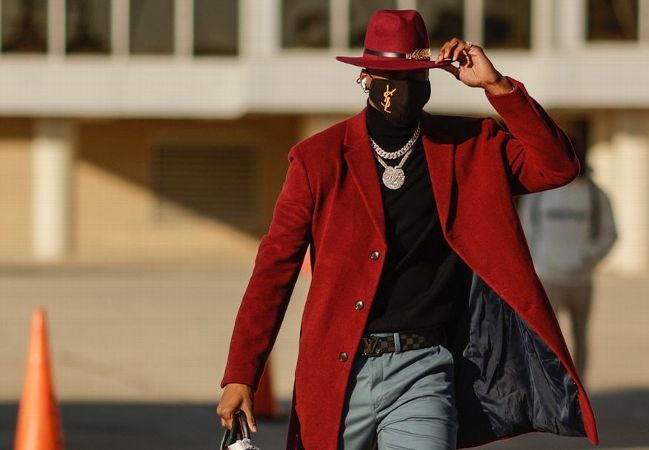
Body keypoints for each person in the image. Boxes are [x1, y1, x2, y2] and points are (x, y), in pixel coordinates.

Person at [216, 9, 598, 449]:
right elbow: (274, 270)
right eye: (389, 76)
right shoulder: (317, 160)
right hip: (337, 374)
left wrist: (498, 87)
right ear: (365, 77)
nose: (400, 89)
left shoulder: (471, 147)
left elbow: (556, 167)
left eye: (413, 76)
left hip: (424, 368)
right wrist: (241, 373)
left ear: (429, 78)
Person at [517, 147, 617, 381]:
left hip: (582, 280)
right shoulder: (539, 192)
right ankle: (550, 387)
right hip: (548, 277)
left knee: (580, 337)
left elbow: (610, 233)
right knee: (547, 339)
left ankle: (580, 388)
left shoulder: (595, 194)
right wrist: (537, 263)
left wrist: (589, 255)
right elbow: (524, 230)